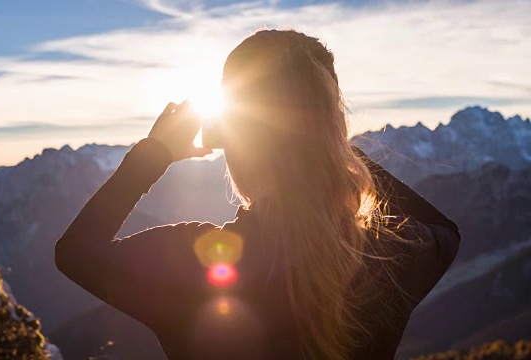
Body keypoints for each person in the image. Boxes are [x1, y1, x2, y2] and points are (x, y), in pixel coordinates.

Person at [55, 29, 460, 360]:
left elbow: (76, 252)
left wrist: (154, 155)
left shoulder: (193, 261)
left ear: (236, 139)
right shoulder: (394, 255)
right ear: (334, 126)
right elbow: (446, 231)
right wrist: (330, 144)